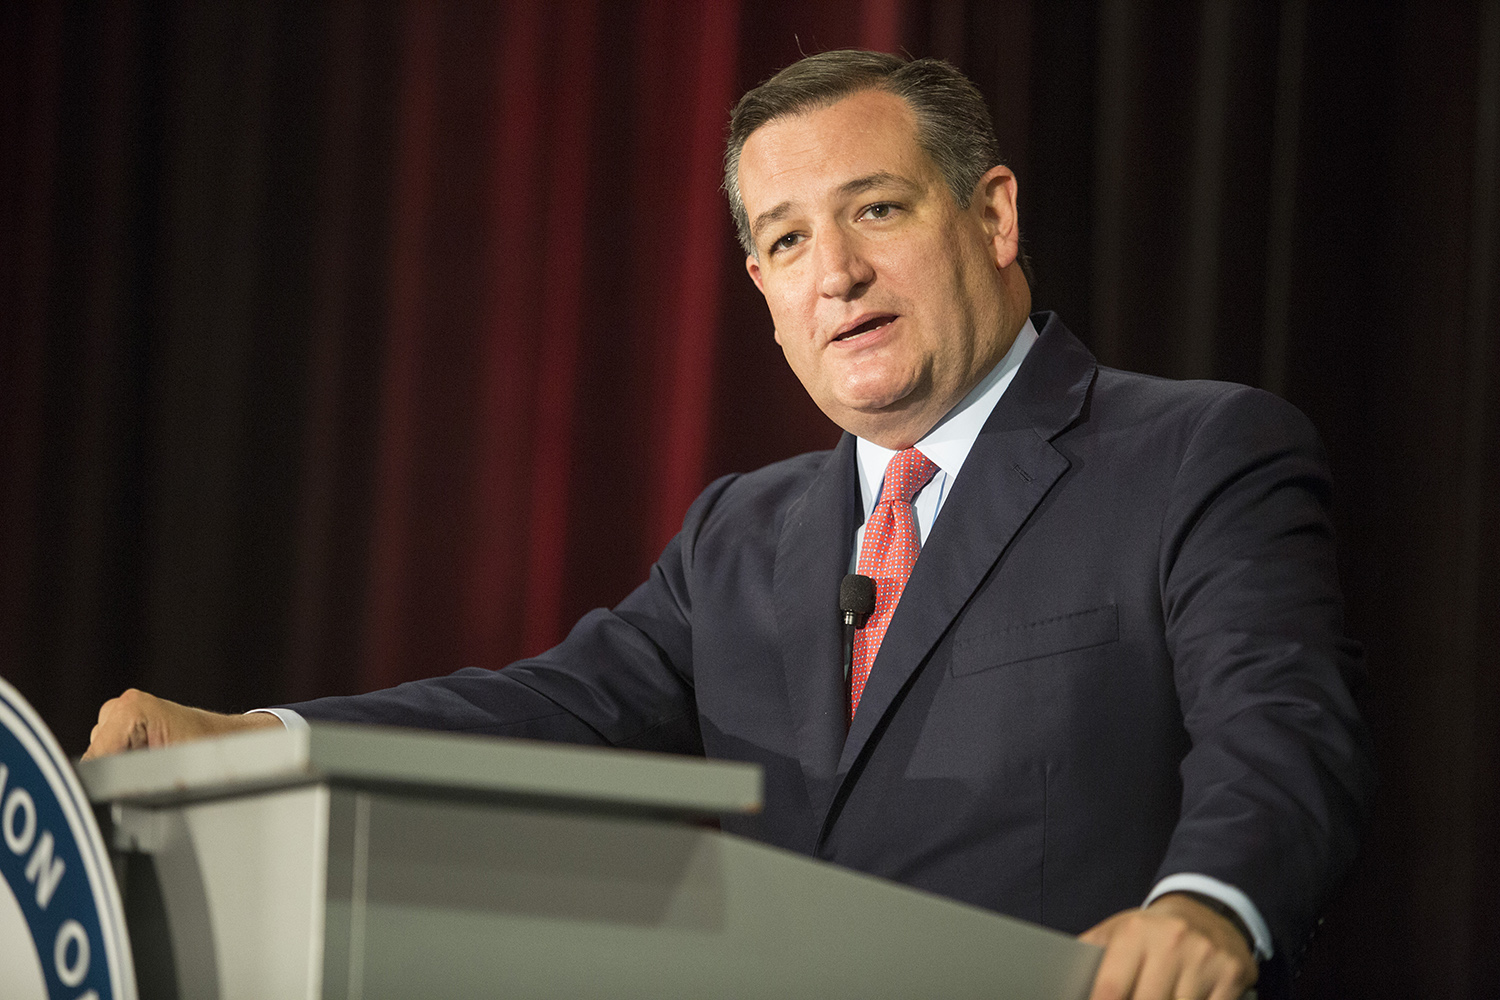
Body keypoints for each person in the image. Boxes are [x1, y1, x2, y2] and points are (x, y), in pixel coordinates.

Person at [85, 51, 1373, 1000]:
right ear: (760, 287)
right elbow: (545, 713)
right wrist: (260, 740)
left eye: (876, 209)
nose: (838, 274)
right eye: (787, 239)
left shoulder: (1194, 452)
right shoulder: (741, 536)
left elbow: (1280, 730)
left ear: (993, 216)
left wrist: (1206, 909)